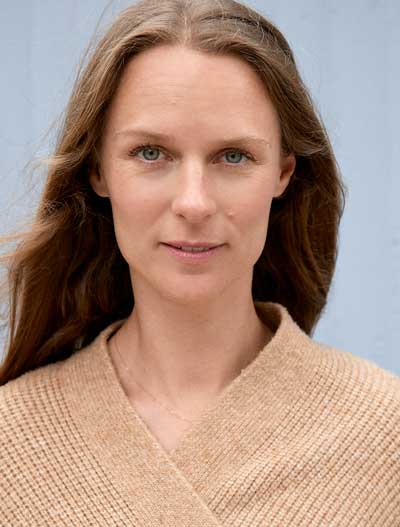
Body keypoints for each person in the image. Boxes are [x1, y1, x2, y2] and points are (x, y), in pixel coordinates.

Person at [0, 0, 399, 525]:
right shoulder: (11, 443)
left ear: (282, 174)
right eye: (151, 153)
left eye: (233, 156)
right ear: (98, 170)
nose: (194, 203)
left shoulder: (384, 433)